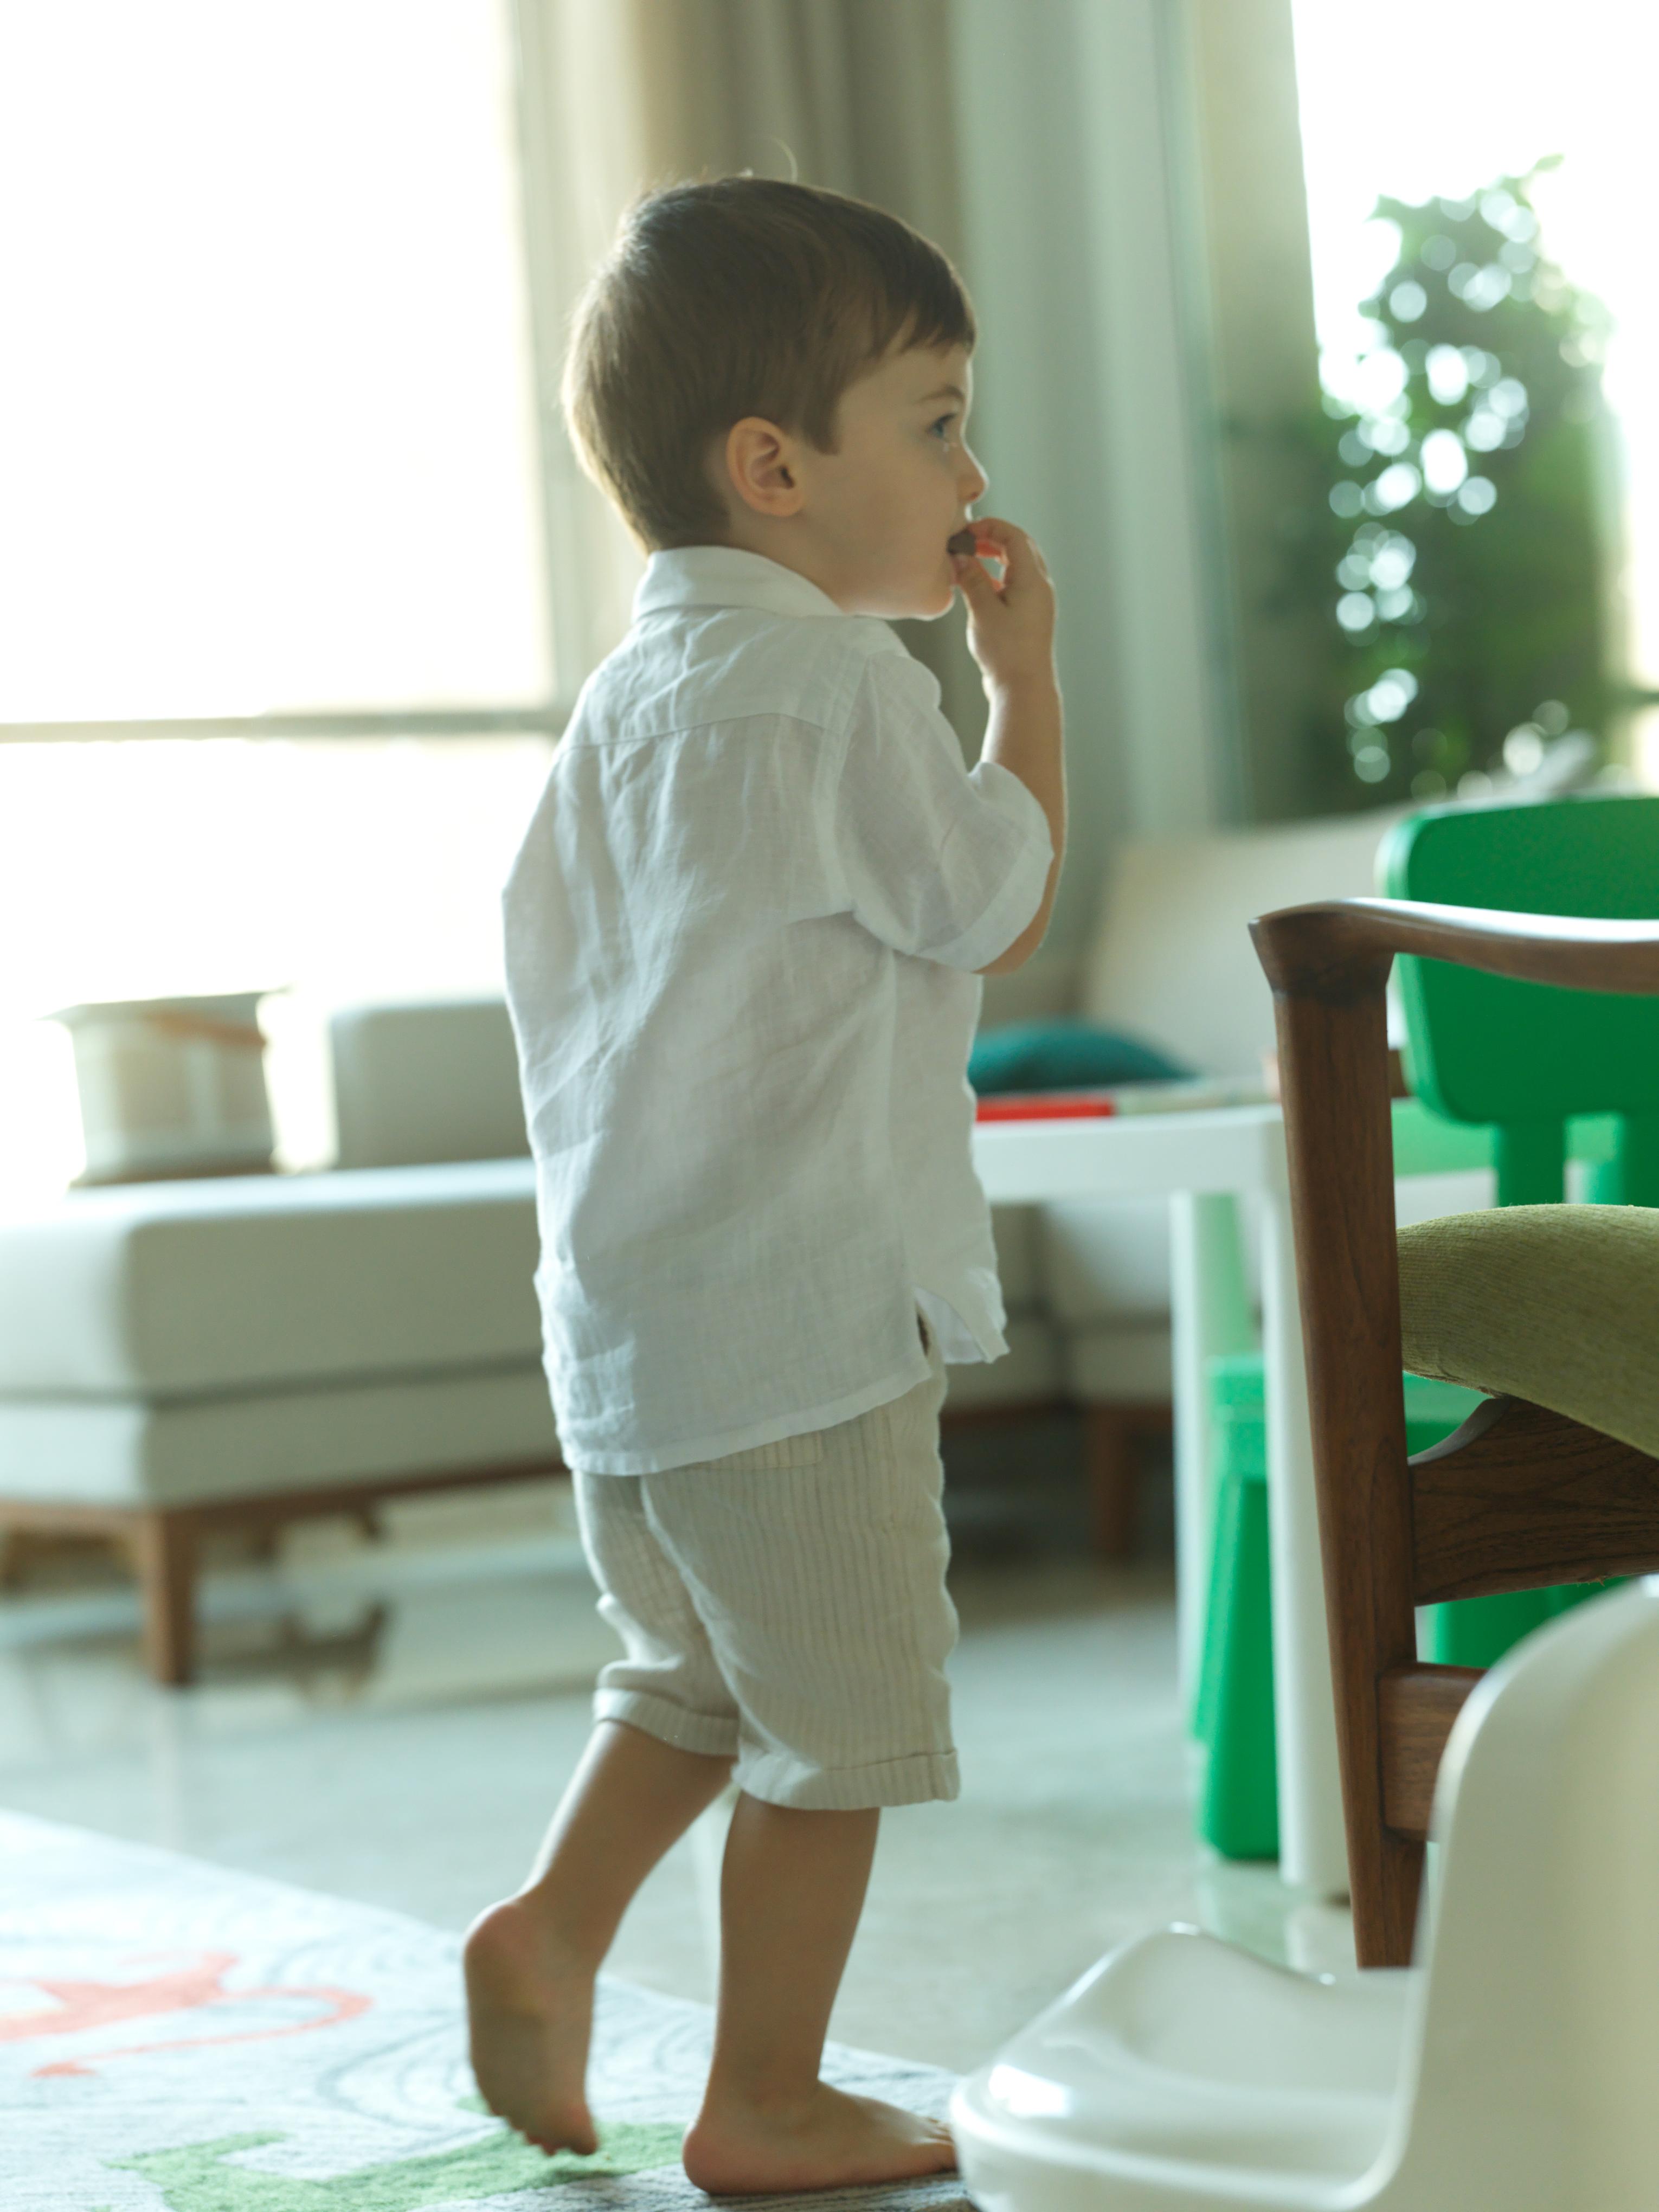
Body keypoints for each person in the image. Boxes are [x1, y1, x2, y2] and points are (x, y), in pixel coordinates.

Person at [467, 174, 1065, 2195]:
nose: (970, 467)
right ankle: (767, 2098)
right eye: (935, 419)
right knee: (840, 1722)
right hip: (802, 1326)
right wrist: (1024, 688)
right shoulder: (829, 686)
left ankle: (548, 1933)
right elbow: (986, 902)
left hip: (629, 1333)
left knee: (690, 1680)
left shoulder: (617, 712)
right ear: (775, 467)